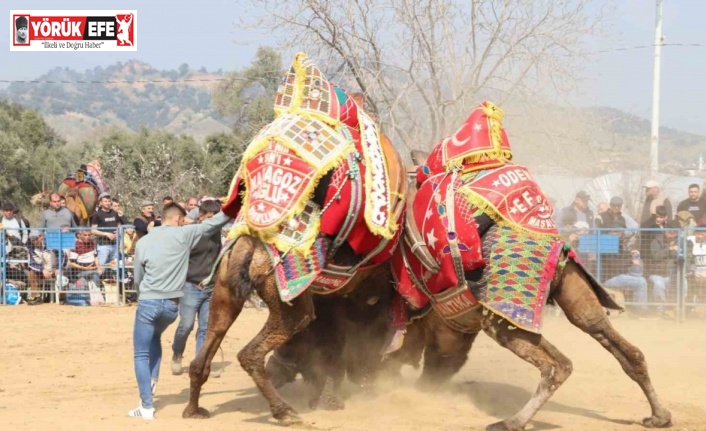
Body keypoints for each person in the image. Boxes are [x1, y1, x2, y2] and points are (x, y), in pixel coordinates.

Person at [128, 202, 230, 420]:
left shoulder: (143, 242)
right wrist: (236, 205)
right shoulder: (184, 235)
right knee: (155, 337)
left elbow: (138, 278)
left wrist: (142, 295)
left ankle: (146, 406)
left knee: (140, 353)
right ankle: (152, 382)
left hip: (149, 301)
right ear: (176, 219)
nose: (184, 222)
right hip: (172, 306)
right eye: (182, 219)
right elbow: (214, 223)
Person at [170, 199, 223, 375]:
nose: (214, 222)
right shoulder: (189, 233)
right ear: (200, 216)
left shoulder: (217, 234)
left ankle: (201, 362)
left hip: (211, 287)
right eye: (210, 217)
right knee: (186, 325)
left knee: (205, 328)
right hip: (190, 286)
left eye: (217, 218)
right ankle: (177, 354)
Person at [91, 192, 121, 266]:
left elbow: (118, 225)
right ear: (100, 203)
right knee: (102, 266)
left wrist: (117, 233)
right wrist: (106, 234)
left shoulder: (114, 213)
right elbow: (93, 230)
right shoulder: (97, 214)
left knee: (115, 266)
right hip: (103, 245)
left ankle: (114, 277)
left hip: (115, 244)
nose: (108, 203)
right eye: (105, 201)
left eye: (109, 201)